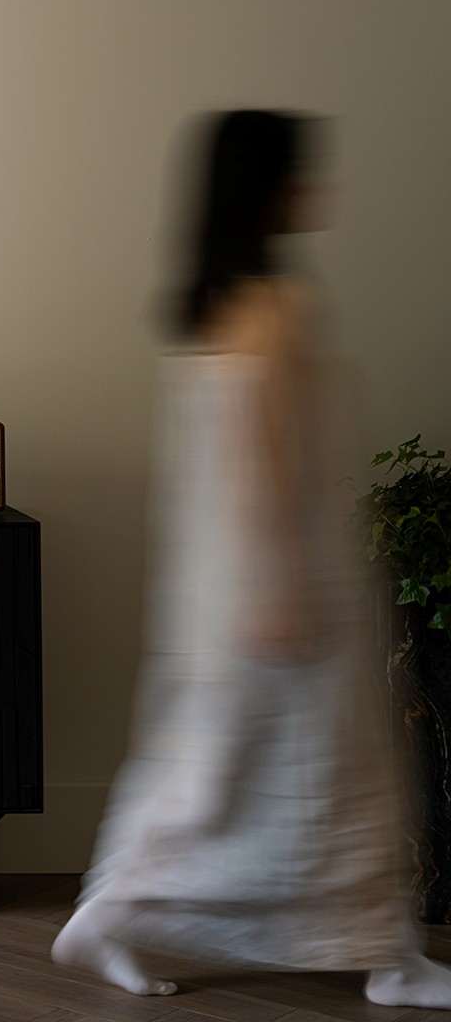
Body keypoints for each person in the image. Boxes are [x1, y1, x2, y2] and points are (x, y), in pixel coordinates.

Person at [52, 109, 451, 1003]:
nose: (321, 189)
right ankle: (385, 959)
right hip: (281, 570)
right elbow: (261, 457)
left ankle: (119, 915)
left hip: (222, 577)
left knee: (219, 764)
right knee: (322, 763)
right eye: (304, 173)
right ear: (271, 189)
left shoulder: (211, 306)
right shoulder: (274, 306)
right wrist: (282, 586)